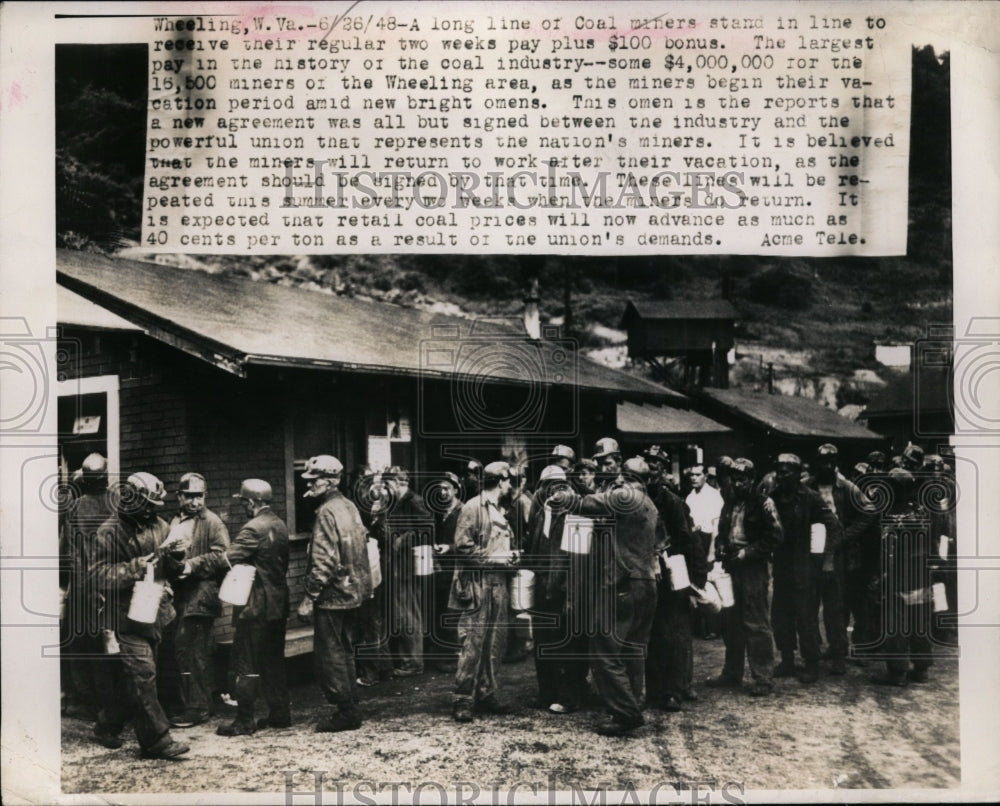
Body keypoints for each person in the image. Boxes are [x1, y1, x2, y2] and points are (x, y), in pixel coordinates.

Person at [87, 472, 190, 759]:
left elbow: (172, 568)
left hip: (155, 611)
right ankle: (156, 740)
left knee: (135, 678)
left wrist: (177, 557)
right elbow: (96, 575)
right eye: (147, 504)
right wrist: (134, 567)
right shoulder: (108, 532)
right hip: (125, 616)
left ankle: (107, 724)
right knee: (143, 674)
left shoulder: (160, 525)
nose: (152, 510)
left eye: (155, 505)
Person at [565, 456, 663, 736]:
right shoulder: (650, 503)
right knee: (634, 649)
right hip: (645, 583)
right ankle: (633, 701)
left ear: (627, 476)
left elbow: (587, 504)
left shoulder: (627, 495)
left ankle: (626, 713)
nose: (616, 479)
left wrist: (565, 496)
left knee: (604, 651)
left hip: (622, 585)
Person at [185, 478, 290, 736]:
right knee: (273, 660)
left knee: (246, 662)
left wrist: (191, 565)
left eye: (243, 501)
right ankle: (280, 713)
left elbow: (225, 559)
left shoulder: (252, 528)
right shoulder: (280, 524)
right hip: (278, 604)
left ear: (253, 502)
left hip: (255, 607)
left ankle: (244, 720)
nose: (242, 506)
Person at [296, 455, 373, 732]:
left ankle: (346, 710)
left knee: (331, 655)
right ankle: (351, 705)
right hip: (354, 593)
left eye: (314, 480)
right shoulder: (349, 506)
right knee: (346, 651)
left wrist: (309, 597)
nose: (310, 484)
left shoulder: (327, 512)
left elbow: (324, 560)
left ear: (329, 481)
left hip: (333, 595)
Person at [450, 461, 519, 722]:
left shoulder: (499, 509)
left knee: (495, 641)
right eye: (509, 482)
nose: (510, 486)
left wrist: (511, 559)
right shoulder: (472, 507)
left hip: (498, 584)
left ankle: (487, 692)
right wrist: (496, 559)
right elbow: (463, 547)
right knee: (473, 642)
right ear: (501, 482)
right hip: (477, 584)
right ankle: (463, 698)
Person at [707, 459, 783, 696]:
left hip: (753, 570)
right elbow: (722, 530)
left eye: (743, 479)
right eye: (734, 479)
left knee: (756, 623)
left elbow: (776, 537)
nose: (738, 483)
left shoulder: (764, 503)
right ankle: (732, 673)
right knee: (731, 622)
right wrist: (720, 545)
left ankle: (763, 678)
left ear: (751, 480)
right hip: (731, 567)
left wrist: (748, 552)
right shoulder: (729, 502)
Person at [769, 454, 841, 685]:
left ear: (798, 473)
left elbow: (834, 526)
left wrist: (825, 558)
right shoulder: (775, 496)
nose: (781, 475)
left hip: (805, 568)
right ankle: (787, 660)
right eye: (779, 471)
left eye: (786, 471)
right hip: (781, 566)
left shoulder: (810, 498)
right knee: (781, 615)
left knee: (806, 617)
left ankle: (811, 663)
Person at [808, 445, 879, 674]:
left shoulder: (846, 487)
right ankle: (815, 652)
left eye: (831, 462)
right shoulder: (808, 486)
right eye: (822, 461)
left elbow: (870, 510)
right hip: (811, 552)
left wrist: (846, 535)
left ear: (836, 462)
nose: (826, 466)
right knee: (809, 606)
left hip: (838, 554)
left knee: (835, 607)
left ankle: (839, 653)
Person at [166, 473, 230, 728]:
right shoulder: (174, 521)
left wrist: (191, 566)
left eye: (199, 496)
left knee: (194, 651)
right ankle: (191, 702)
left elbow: (223, 557)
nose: (195, 502)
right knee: (183, 650)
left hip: (201, 596)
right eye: (189, 496)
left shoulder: (212, 523)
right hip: (180, 595)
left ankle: (198, 707)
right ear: (180, 496)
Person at [523, 465, 589, 713]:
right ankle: (546, 693)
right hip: (543, 590)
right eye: (549, 485)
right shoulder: (540, 513)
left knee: (570, 645)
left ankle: (570, 696)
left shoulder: (577, 514)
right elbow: (533, 550)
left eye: (560, 484)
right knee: (543, 644)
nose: (555, 490)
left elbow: (580, 560)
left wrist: (572, 595)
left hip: (566, 591)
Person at [60, 453, 113, 721]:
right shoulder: (118, 505)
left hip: (83, 590)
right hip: (113, 587)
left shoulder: (76, 508)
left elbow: (65, 553)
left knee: (83, 647)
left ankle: (86, 704)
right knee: (110, 648)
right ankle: (112, 705)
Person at [872, 469, 935, 687]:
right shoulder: (921, 511)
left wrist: (883, 578)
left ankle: (897, 672)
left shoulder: (894, 516)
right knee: (919, 623)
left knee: (897, 625)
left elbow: (890, 552)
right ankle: (921, 669)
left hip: (899, 578)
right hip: (921, 577)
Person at [382, 466, 433, 677]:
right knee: (403, 613)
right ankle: (408, 660)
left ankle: (413, 662)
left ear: (398, 483)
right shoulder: (397, 502)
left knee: (409, 614)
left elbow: (427, 529)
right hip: (399, 566)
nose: (385, 489)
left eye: (388, 484)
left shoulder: (413, 501)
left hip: (408, 567)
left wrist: (402, 540)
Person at [685, 463, 725, 639]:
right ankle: (701, 627)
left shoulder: (714, 496)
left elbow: (717, 526)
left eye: (698, 474)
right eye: (692, 475)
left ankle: (715, 626)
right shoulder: (690, 497)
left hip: (709, 541)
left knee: (712, 582)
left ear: (705, 477)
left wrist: (712, 551)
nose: (694, 478)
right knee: (697, 582)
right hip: (695, 542)